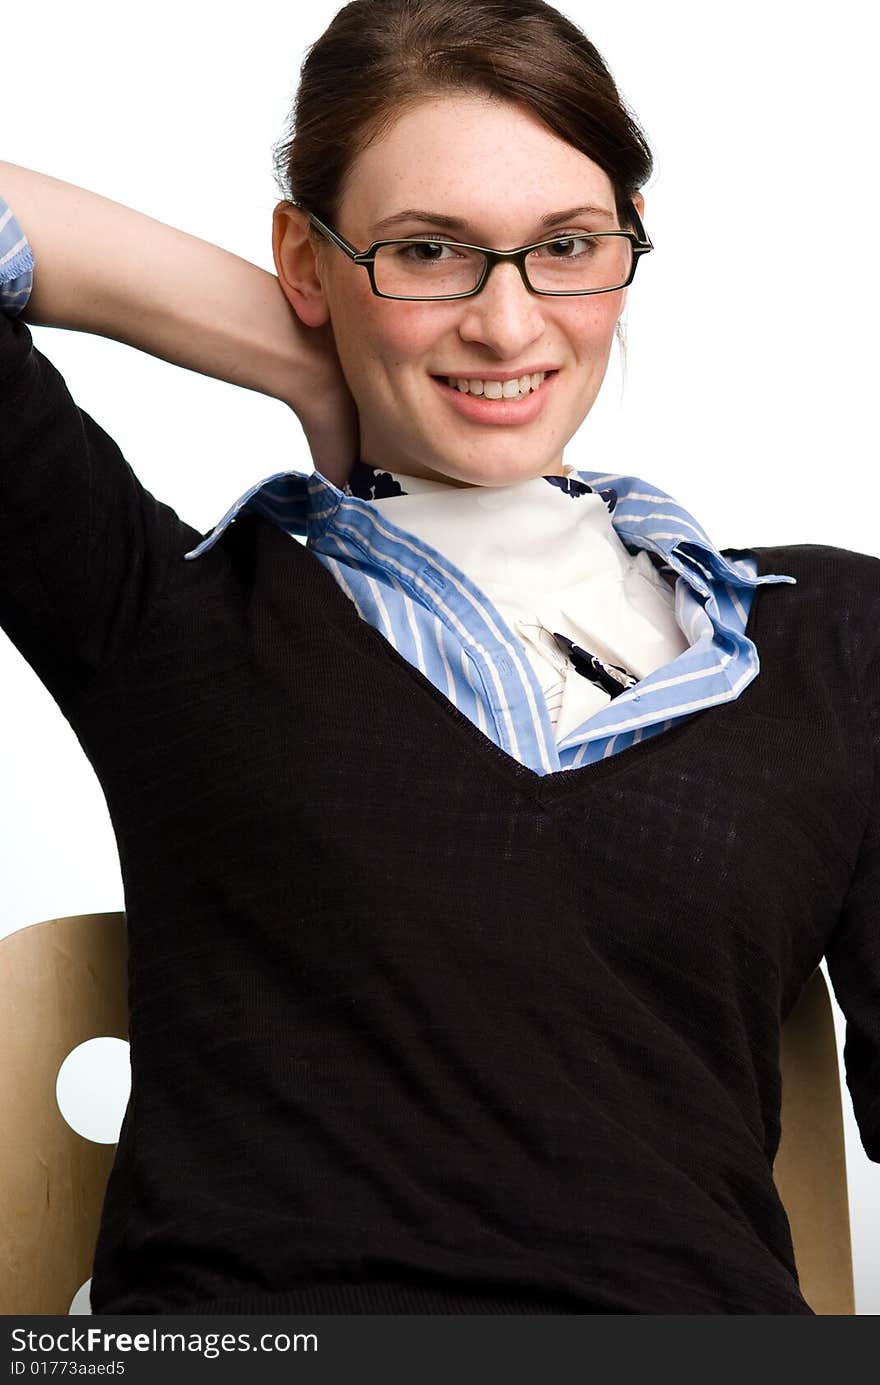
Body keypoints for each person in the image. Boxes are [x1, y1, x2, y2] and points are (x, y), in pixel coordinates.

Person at [0, 0, 877, 1316]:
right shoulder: (170, 611)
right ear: (311, 256)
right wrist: (295, 354)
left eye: (567, 248)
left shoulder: (837, 638)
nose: (507, 326)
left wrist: (370, 307)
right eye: (428, 253)